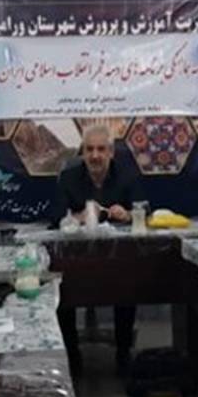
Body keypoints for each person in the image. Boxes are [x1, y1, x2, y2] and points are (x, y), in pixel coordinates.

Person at [50, 124, 146, 375]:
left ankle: (123, 353)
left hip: (118, 259)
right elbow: (54, 217)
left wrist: (128, 215)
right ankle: (72, 356)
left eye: (101, 149)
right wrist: (77, 217)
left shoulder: (127, 176)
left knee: (127, 286)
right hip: (75, 261)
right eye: (90, 149)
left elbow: (145, 209)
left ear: (111, 152)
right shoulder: (68, 178)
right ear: (82, 152)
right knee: (63, 289)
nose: (95, 155)